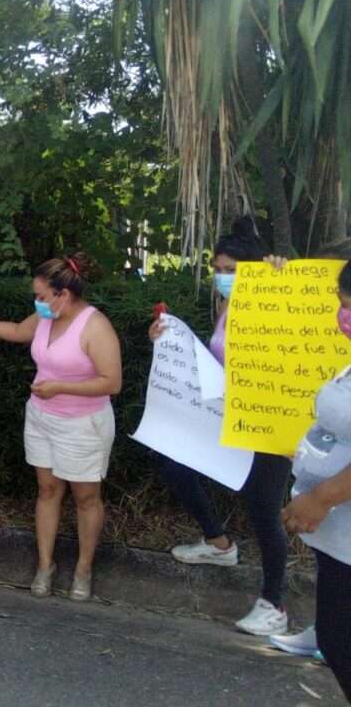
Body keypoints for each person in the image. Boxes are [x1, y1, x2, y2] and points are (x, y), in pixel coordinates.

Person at [149, 218, 291, 636]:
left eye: (232, 269)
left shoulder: (271, 301)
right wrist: (168, 339)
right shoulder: (225, 306)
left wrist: (284, 278)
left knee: (264, 508)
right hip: (228, 414)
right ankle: (218, 544)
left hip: (268, 421)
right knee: (174, 464)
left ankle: (275, 603)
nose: (223, 276)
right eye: (219, 268)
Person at [0, 253, 121, 601]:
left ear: (62, 294)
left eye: (40, 295)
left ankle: (83, 569)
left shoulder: (95, 326)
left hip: (84, 424)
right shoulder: (45, 317)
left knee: (86, 498)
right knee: (48, 490)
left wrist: (60, 388)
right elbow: (18, 332)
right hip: (41, 417)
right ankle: (45, 564)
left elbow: (112, 383)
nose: (36, 302)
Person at [279, 259, 351, 702]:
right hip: (338, 542)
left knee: (341, 643)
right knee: (337, 640)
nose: (343, 315)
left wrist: (321, 496)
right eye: (342, 304)